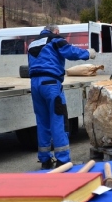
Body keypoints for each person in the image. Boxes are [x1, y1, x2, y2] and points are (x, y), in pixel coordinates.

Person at [28, 24, 96, 169]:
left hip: (35, 85)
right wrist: (88, 53)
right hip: (51, 85)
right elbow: (70, 51)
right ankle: (63, 160)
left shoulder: (32, 43)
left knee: (42, 121)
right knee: (58, 120)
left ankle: (45, 160)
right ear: (56, 31)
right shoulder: (55, 39)